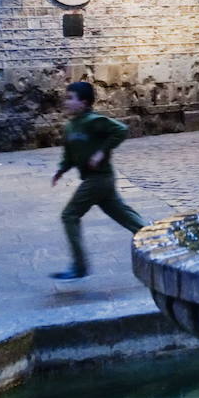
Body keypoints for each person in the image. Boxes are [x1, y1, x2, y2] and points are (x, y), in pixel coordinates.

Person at [50, 80, 145, 279]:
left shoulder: (93, 121)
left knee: (70, 215)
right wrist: (61, 170)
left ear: (84, 103)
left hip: (100, 179)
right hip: (99, 182)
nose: (66, 102)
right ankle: (159, 240)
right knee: (126, 217)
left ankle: (79, 267)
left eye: (70, 98)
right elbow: (68, 155)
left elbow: (121, 130)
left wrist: (101, 152)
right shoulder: (69, 127)